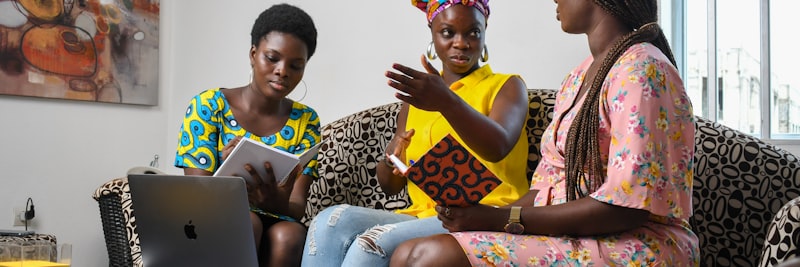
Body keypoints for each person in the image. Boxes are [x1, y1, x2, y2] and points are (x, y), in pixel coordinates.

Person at [390, 0, 700, 266]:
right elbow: (545, 190)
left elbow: (625, 211)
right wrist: (482, 214)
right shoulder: (578, 77)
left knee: (427, 256)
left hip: (636, 245)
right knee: (407, 253)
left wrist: (500, 220)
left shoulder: (642, 70)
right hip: (575, 235)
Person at [301, 0, 530, 266]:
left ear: (485, 31)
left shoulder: (507, 85)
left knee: (370, 244)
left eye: (473, 33)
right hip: (422, 216)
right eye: (448, 32)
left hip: (485, 213)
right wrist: (391, 160)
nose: (461, 43)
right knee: (329, 221)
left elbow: (498, 145)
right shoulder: (416, 101)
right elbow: (391, 186)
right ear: (432, 33)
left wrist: (446, 100)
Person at [174, 4, 319, 266]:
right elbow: (197, 196)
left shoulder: (306, 120)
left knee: (290, 234)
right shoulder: (208, 106)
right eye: (272, 58)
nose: (282, 71)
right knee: (247, 222)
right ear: (253, 54)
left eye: (296, 65)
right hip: (211, 216)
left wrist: (276, 200)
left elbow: (296, 208)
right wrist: (229, 178)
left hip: (275, 219)